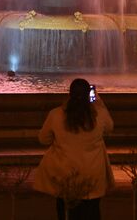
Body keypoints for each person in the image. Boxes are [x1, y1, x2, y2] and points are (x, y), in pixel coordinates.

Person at [33, 78, 113, 219]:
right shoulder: (99, 115)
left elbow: (43, 139)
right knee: (92, 211)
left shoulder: (56, 114)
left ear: (69, 94)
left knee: (65, 211)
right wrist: (98, 102)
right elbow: (110, 128)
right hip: (93, 172)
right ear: (89, 94)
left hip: (65, 172)